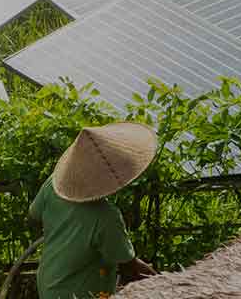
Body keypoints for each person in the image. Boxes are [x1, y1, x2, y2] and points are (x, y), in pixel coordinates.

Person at [28, 122, 160, 298]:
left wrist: (64, 236)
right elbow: (129, 268)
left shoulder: (53, 184)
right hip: (78, 294)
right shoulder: (106, 217)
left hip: (49, 282)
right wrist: (165, 283)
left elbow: (34, 215)